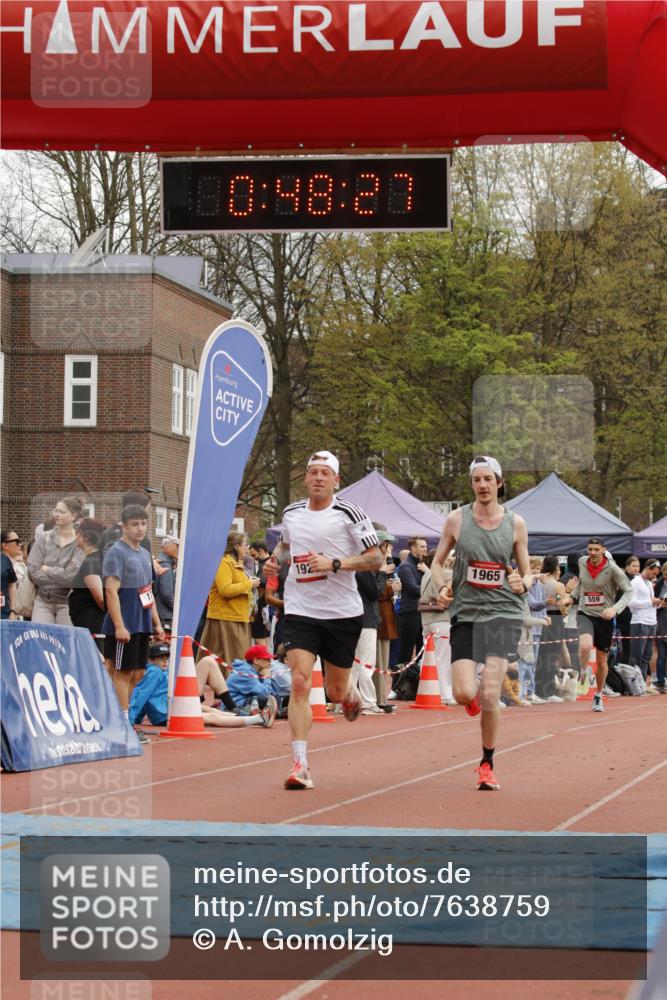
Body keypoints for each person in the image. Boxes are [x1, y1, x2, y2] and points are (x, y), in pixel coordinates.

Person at [263, 450, 382, 790]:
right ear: (305, 478)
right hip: (301, 609)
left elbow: (374, 558)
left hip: (342, 612)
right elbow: (285, 548)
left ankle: (348, 694)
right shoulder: (292, 513)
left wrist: (335, 564)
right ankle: (300, 765)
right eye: (312, 472)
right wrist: (274, 562)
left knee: (334, 689)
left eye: (324, 473)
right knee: (301, 681)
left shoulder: (349, 512)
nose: (317, 478)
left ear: (335, 480)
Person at [431, 455, 531, 792]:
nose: (483, 485)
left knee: (490, 691)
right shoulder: (457, 520)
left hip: (504, 612)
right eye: (477, 480)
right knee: (462, 692)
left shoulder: (515, 523)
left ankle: (487, 763)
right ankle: (473, 701)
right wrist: (443, 586)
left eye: (488, 479)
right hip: (467, 613)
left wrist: (524, 582)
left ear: (499, 482)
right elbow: (436, 562)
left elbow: (526, 570)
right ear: (472, 484)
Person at [128, 642, 276, 740]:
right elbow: (141, 695)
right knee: (212, 717)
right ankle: (258, 719)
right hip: (167, 713)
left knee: (212, 711)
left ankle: (245, 714)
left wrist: (139, 717)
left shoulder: (161, 672)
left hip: (174, 706)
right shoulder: (154, 672)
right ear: (151, 660)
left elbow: (145, 696)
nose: (165, 661)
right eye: (160, 658)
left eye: (166, 657)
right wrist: (130, 721)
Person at [101, 504, 165, 716]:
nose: (140, 528)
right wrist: (119, 626)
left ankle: (116, 713)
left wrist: (156, 623)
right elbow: (110, 591)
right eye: (134, 524)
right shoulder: (116, 552)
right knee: (122, 672)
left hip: (142, 622)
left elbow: (148, 592)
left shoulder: (146, 554)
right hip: (125, 623)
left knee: (138, 673)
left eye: (143, 524)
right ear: (124, 526)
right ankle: (122, 719)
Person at [571, 537, 632, 712]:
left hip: (604, 616)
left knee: (601, 659)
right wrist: (573, 596)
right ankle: (583, 672)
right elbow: (581, 583)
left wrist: (615, 609)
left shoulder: (612, 568)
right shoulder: (583, 562)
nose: (593, 553)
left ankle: (598, 695)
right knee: (585, 645)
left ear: (603, 550)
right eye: (590, 549)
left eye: (596, 549)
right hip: (585, 612)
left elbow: (628, 591)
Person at [198, 532, 260, 666]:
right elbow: (225, 590)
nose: (247, 548)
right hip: (225, 619)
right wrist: (249, 584)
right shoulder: (224, 563)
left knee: (236, 660)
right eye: (245, 545)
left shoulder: (237, 564)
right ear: (236, 546)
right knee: (231, 661)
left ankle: (227, 684)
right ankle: (225, 685)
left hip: (237, 617)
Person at [27, 495, 85, 624]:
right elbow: (32, 570)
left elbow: (71, 577)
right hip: (42, 601)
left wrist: (47, 569)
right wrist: (59, 575)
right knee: (40, 640)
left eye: (62, 512)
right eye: (56, 510)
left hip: (67, 603)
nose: (57, 514)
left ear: (73, 516)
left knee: (64, 643)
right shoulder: (43, 537)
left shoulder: (79, 542)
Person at [420, 550, 456, 705]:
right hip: (442, 619)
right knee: (443, 658)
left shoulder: (426, 575)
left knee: (428, 658)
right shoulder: (447, 574)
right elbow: (451, 594)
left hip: (426, 618)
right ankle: (445, 694)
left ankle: (427, 690)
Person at [68, 518, 105, 645]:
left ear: (86, 538)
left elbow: (100, 598)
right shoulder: (96, 558)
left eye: (78, 533)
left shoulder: (91, 562)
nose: (76, 536)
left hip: (92, 622)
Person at [395, 537, 428, 676]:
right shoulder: (405, 566)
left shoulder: (422, 565)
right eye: (422, 546)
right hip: (410, 613)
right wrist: (429, 577)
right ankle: (397, 686)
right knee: (405, 652)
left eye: (425, 546)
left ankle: (415, 686)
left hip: (422, 613)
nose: (425, 548)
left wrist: (427, 572)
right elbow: (415, 589)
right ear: (413, 548)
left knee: (423, 652)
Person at [376, 532, 400, 711]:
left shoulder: (386, 565)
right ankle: (377, 699)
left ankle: (381, 698)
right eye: (389, 545)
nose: (391, 549)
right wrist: (391, 589)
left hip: (386, 618)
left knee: (383, 661)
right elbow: (376, 592)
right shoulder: (374, 566)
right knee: (377, 662)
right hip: (377, 618)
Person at [628, 558, 662, 680]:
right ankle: (633, 684)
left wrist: (657, 604)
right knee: (636, 656)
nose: (654, 576)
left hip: (651, 622)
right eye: (653, 573)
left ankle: (641, 684)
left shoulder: (648, 583)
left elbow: (649, 602)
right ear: (648, 568)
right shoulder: (635, 582)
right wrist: (650, 602)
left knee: (646, 656)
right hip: (639, 622)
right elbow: (630, 602)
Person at [226, 644, 280, 719]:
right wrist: (267, 677)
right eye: (267, 659)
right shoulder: (246, 671)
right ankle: (275, 713)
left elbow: (272, 692)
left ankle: (273, 712)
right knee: (265, 699)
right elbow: (265, 693)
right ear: (256, 660)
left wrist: (263, 677)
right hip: (234, 706)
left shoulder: (255, 670)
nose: (270, 662)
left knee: (275, 697)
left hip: (246, 700)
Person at [154, 536, 179, 630]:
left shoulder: (161, 562)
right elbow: (166, 593)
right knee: (165, 643)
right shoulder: (165, 565)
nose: (178, 549)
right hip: (164, 615)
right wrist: (176, 610)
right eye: (176, 546)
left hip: (160, 613)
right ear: (167, 548)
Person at [654, 562, 667, 693]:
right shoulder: (658, 584)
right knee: (662, 655)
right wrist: (659, 605)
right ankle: (661, 681)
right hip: (661, 621)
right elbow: (652, 601)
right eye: (665, 572)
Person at [0, 529, 19, 620]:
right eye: (17, 541)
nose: (19, 544)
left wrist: (13, 611)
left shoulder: (4, 560)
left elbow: (12, 585)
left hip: (3, 614)